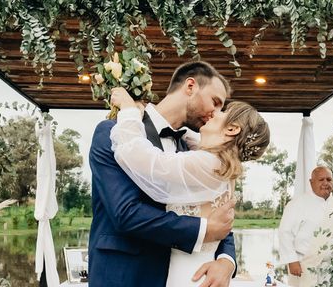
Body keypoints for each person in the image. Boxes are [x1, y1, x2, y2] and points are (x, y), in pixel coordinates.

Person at [89, 61, 239, 287]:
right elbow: (125, 213)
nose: (216, 114)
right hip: (125, 277)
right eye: (215, 102)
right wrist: (202, 230)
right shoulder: (113, 133)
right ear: (190, 86)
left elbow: (219, 212)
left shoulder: (194, 149)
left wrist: (226, 261)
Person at [109, 84, 271, 287]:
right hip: (199, 269)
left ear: (232, 129)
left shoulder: (206, 163)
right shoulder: (223, 167)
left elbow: (143, 158)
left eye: (224, 112)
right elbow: (193, 139)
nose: (215, 112)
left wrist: (129, 111)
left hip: (188, 275)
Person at [277, 166, 333, 286]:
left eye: (329, 179)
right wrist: (292, 260)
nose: (325, 183)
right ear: (311, 182)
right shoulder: (297, 204)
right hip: (305, 266)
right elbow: (285, 233)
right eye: (321, 180)